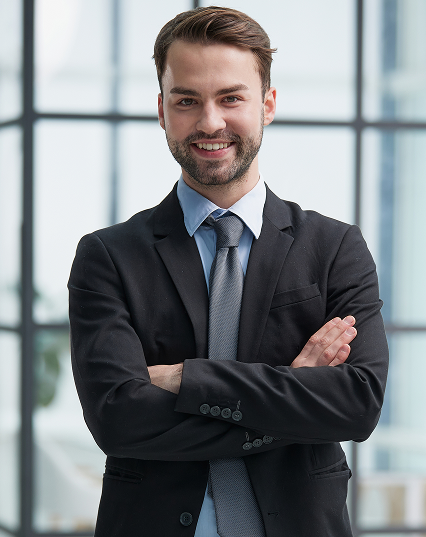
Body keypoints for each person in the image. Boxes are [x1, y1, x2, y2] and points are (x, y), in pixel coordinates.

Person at [68, 6, 388, 537]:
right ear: (162, 110)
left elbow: (356, 405)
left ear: (267, 104)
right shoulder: (108, 256)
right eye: (187, 100)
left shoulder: (335, 249)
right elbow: (118, 420)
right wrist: (294, 393)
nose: (210, 122)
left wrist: (186, 379)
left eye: (231, 98)